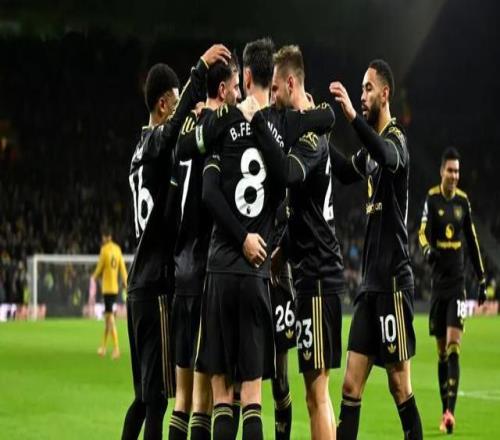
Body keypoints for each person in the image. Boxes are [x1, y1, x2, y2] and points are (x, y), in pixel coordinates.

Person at [122, 44, 230, 440]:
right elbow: (170, 135)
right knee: (156, 401)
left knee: (142, 398)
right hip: (155, 286)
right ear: (164, 103)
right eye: (175, 101)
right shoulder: (155, 141)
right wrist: (199, 69)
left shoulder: (139, 151)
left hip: (139, 284)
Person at [250, 45, 345, 440]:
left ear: (290, 83)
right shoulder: (311, 127)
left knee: (317, 395)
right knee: (315, 393)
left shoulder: (311, 137)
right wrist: (282, 251)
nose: (272, 96)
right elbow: (303, 211)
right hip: (311, 272)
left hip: (319, 276)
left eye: (275, 88)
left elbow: (289, 174)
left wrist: (256, 123)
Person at [328, 59, 423, 439]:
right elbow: (343, 171)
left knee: (400, 386)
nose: (362, 95)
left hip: (393, 283)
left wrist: (353, 117)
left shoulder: (396, 140)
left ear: (385, 94)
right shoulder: (371, 151)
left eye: (368, 88)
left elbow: (386, 155)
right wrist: (312, 133)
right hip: (369, 288)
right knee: (350, 386)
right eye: (360, 89)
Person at [168, 54, 241, 440]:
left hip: (181, 268)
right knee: (205, 400)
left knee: (181, 400)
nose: (240, 94)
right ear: (223, 89)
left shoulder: (188, 126)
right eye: (237, 86)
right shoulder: (217, 129)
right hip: (203, 270)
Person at [418, 146, 487, 433]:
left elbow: (471, 240)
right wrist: (427, 251)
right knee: (441, 352)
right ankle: (444, 406)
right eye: (450, 170)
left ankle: (449, 413)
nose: (455, 175)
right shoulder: (432, 198)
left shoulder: (463, 202)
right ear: (442, 171)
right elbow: (422, 232)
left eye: (457, 171)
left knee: (454, 346)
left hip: (458, 284)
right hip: (438, 286)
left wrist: (481, 280)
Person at [91, 228, 127, 359]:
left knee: (110, 318)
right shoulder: (117, 249)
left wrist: (94, 276)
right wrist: (126, 283)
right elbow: (123, 268)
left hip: (107, 289)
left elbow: (100, 267)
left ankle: (116, 348)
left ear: (105, 237)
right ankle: (103, 347)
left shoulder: (104, 250)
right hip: (115, 289)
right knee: (107, 318)